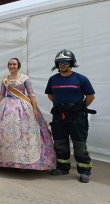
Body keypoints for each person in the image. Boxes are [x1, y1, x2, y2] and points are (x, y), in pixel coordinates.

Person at [0, 58, 55, 170]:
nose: (12, 66)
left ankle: (23, 161)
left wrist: (34, 108)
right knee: (5, 132)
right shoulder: (5, 79)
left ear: (18, 65)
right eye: (10, 64)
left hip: (22, 108)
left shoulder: (24, 78)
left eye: (14, 64)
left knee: (24, 132)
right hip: (6, 107)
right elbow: (1, 95)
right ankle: (6, 160)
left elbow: (31, 94)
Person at [45, 49, 95, 183]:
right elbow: (50, 95)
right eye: (60, 62)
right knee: (60, 143)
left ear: (71, 63)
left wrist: (80, 107)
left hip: (77, 117)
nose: (62, 64)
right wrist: (61, 105)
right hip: (59, 116)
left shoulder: (81, 79)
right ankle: (63, 168)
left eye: (65, 62)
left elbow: (90, 96)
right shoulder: (53, 79)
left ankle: (84, 171)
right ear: (57, 64)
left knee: (79, 144)